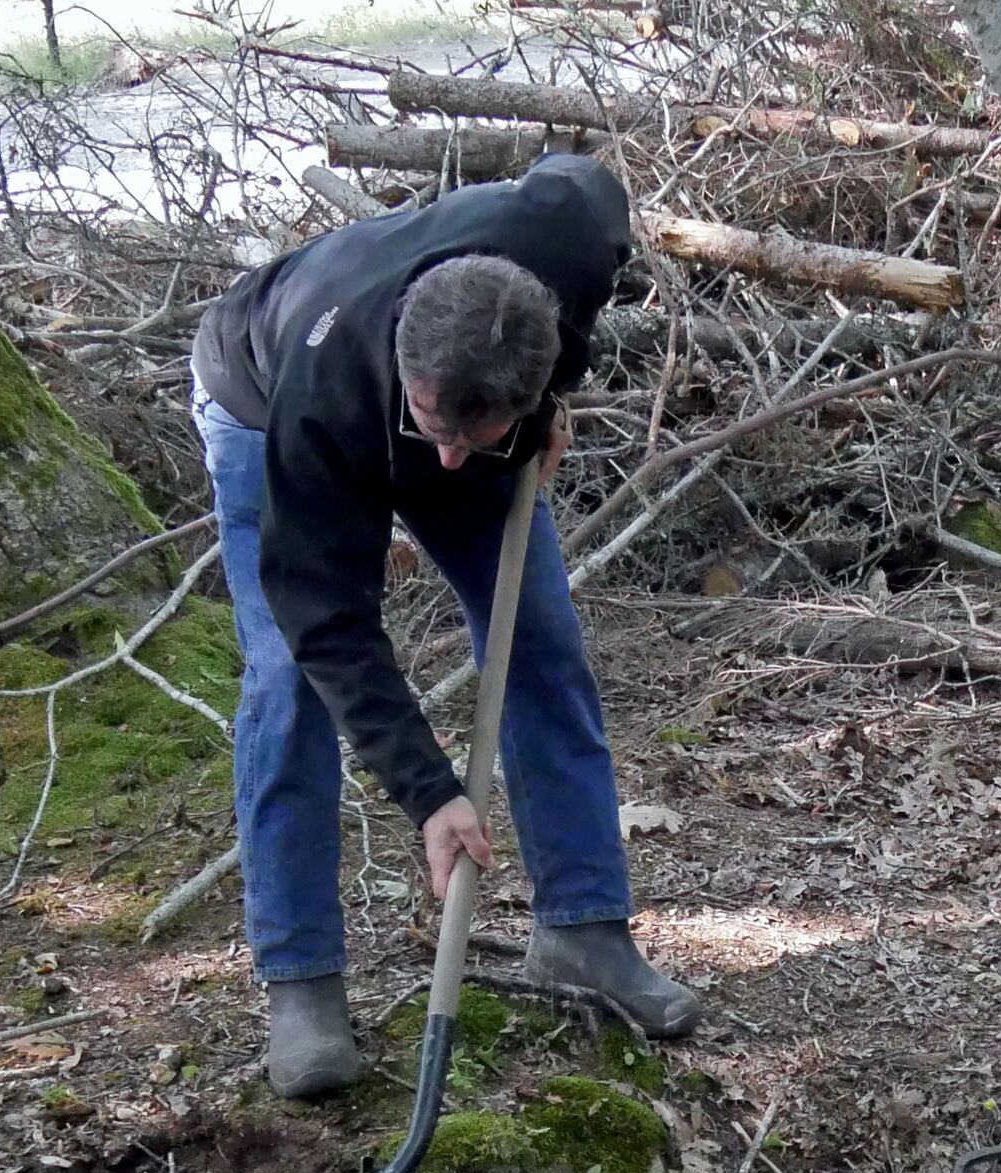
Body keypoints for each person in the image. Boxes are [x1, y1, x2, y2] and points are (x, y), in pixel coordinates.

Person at [190, 152, 703, 1098]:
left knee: (540, 640)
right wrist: (432, 794)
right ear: (406, 374)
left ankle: (583, 930)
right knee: (288, 685)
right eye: (436, 427)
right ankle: (301, 982)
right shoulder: (325, 399)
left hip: (468, 377)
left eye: (480, 434)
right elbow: (329, 619)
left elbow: (584, 177)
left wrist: (542, 408)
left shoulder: (566, 243)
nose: (453, 461)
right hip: (260, 403)